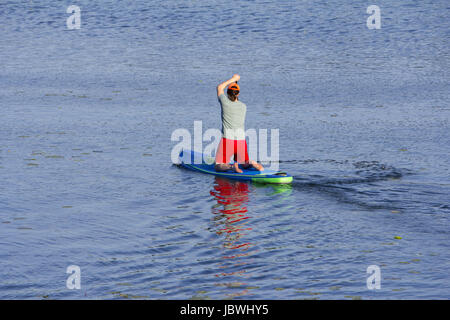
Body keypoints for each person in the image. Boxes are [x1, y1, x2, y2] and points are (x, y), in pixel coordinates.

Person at [214, 74, 264, 173]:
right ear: (238, 94)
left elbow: (219, 87)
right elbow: (234, 99)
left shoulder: (225, 102)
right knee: (244, 163)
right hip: (241, 140)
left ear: (227, 94)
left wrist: (233, 79)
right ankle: (252, 163)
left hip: (228, 140)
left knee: (218, 166)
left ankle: (232, 167)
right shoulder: (243, 106)